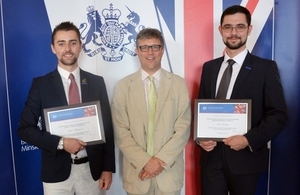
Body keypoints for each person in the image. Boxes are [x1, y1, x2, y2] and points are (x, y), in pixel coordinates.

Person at [197, 5, 288, 195]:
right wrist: (201, 138)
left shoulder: (265, 68)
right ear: (220, 30)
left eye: (239, 27)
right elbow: (203, 111)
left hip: (246, 160)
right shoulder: (209, 68)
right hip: (211, 160)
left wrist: (248, 139)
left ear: (249, 29)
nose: (233, 33)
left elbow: (278, 115)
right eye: (228, 27)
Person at [18, 21, 115, 195]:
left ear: (80, 46)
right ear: (53, 48)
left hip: (91, 171)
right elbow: (24, 129)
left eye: (73, 42)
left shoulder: (96, 82)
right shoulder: (41, 85)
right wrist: (61, 143)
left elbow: (107, 128)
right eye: (61, 43)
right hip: (56, 173)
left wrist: (107, 168)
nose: (67, 48)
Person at [111, 28, 191, 195]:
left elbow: (183, 129)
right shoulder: (123, 86)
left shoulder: (178, 84)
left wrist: (159, 162)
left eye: (155, 47)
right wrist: (145, 162)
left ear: (162, 50)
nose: (150, 52)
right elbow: (121, 132)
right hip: (137, 174)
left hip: (169, 175)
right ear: (136, 51)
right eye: (144, 47)